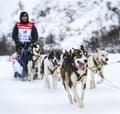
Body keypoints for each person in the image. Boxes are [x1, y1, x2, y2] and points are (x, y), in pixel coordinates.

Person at [12, 11, 38, 78]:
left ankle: (34, 71)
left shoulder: (31, 25)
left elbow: (35, 35)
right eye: (23, 16)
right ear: (21, 17)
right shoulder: (17, 25)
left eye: (25, 16)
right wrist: (17, 41)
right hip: (20, 44)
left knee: (32, 56)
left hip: (29, 43)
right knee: (21, 56)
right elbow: (14, 35)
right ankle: (21, 71)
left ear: (27, 17)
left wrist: (32, 41)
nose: (24, 18)